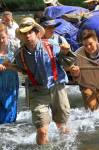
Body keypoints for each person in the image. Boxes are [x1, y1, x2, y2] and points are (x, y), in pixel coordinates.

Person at [13, 17, 71, 145]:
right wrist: (10, 66)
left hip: (57, 87)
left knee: (62, 126)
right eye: (24, 33)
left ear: (36, 32)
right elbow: (23, 70)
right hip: (37, 91)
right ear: (21, 36)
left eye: (30, 32)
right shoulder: (19, 54)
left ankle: (67, 146)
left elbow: (66, 63)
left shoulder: (51, 45)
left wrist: (65, 53)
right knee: (42, 130)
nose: (28, 36)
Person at [70, 29, 99, 111]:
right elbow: (75, 76)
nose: (88, 47)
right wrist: (75, 72)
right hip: (86, 86)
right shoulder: (78, 54)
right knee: (93, 111)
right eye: (85, 45)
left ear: (96, 41)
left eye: (90, 44)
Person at [0, 23, 19, 124]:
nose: (1, 41)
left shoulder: (14, 45)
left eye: (3, 37)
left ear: (7, 34)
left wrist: (10, 66)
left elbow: (23, 65)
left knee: (10, 110)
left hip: (10, 81)